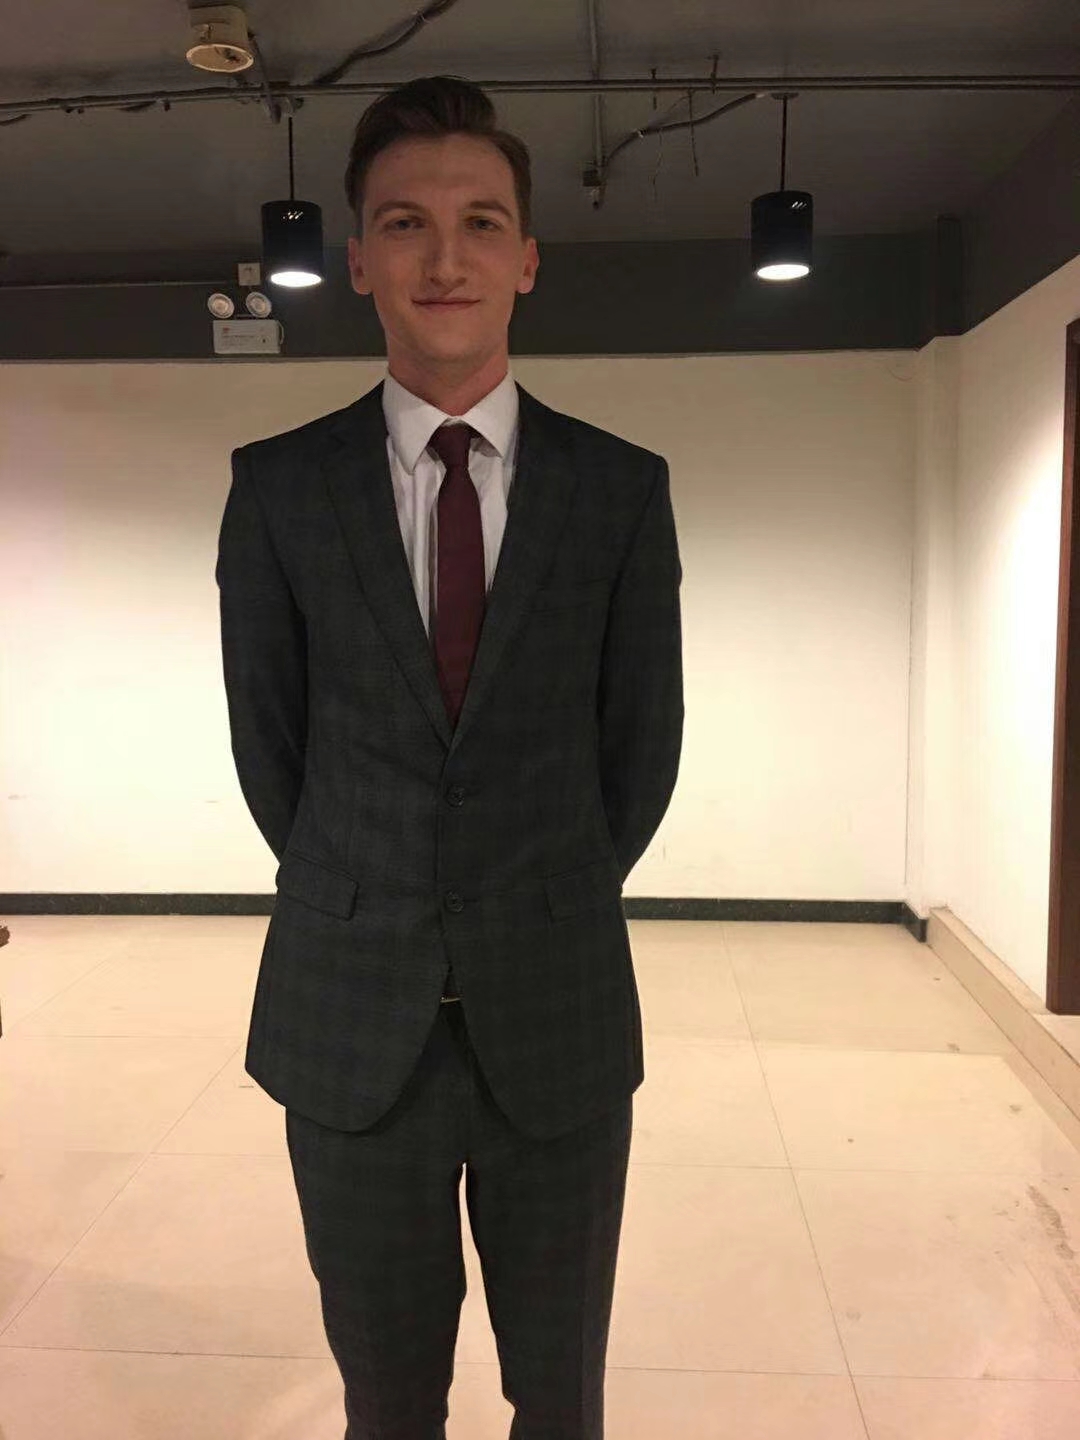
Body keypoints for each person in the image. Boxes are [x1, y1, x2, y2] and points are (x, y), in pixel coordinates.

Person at [215, 72, 683, 1440]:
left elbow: (639, 750)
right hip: (351, 1022)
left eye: (481, 222)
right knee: (387, 1398)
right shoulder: (279, 490)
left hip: (559, 1011)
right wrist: (377, 893)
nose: (444, 256)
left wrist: (532, 894)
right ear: (358, 259)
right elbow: (273, 752)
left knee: (562, 1398)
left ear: (527, 257)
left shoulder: (619, 490)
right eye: (404, 222)